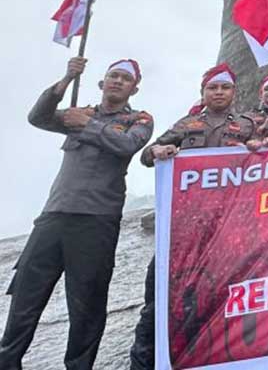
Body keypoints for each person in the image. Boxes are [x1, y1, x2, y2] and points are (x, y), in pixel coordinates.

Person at [0, 57, 153, 370]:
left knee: (87, 305)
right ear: (102, 82)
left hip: (97, 221)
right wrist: (66, 80)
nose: (118, 81)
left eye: (125, 78)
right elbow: (38, 117)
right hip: (53, 217)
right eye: (113, 75)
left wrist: (87, 125)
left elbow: (127, 145)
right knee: (25, 298)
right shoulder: (77, 113)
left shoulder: (139, 119)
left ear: (134, 89)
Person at [129, 63, 268, 369]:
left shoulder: (248, 126)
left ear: (234, 92)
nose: (218, 92)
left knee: (228, 298)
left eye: (224, 87)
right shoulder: (186, 124)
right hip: (183, 230)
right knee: (159, 300)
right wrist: (157, 151)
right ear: (203, 92)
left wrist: (259, 149)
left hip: (229, 230)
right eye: (212, 88)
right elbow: (146, 155)